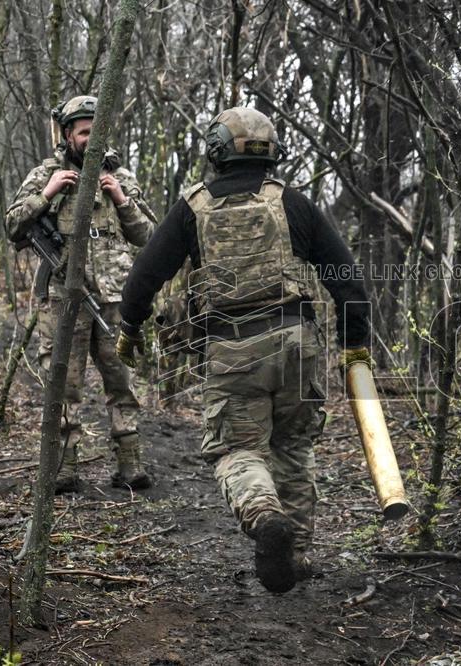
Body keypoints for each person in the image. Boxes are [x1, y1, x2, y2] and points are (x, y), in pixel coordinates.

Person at [115, 107, 371, 593]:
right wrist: (355, 345)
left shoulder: (193, 209)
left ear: (216, 151)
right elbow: (347, 280)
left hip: (232, 349)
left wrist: (129, 327)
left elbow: (144, 276)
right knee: (294, 446)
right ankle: (293, 555)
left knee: (238, 449)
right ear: (272, 151)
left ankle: (263, 516)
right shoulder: (294, 204)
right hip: (298, 345)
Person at [6, 95, 158, 493]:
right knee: (62, 384)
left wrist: (122, 200)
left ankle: (130, 465)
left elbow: (147, 237)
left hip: (113, 297)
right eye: (84, 132)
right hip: (63, 296)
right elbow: (12, 226)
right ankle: (64, 467)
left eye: (97, 131)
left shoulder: (122, 177)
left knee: (122, 381)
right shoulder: (47, 173)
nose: (92, 139)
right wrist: (47, 194)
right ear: (69, 134)